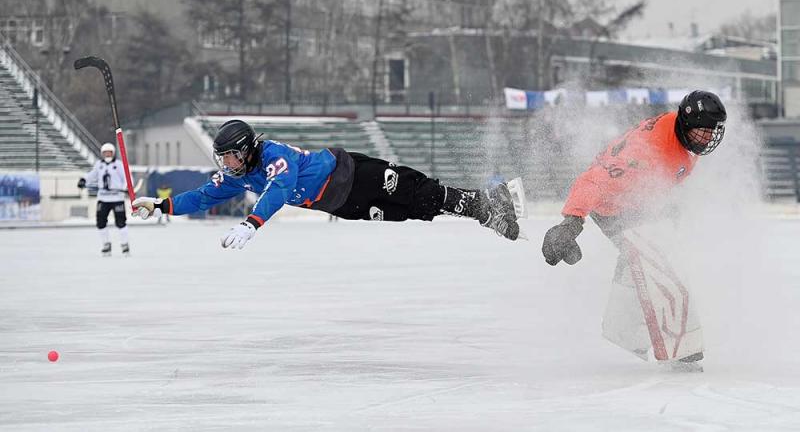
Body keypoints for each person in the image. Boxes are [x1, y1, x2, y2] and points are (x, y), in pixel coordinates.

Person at [541, 90, 727, 372]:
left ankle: (622, 328)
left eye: (712, 132)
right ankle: (679, 349)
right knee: (660, 257)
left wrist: (669, 206)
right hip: (613, 208)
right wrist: (572, 221)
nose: (707, 138)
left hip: (636, 203)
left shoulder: (680, 138)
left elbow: (661, 181)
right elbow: (593, 179)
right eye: (703, 131)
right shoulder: (646, 151)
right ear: (686, 123)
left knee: (646, 255)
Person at [132, 120, 522, 247]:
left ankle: (490, 203)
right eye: (223, 159)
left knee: (418, 191)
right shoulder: (241, 173)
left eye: (230, 156)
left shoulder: (273, 158)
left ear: (247, 149)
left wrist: (252, 223)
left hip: (352, 173)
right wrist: (161, 205)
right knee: (413, 212)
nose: (227, 164)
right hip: (341, 205)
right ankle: (484, 211)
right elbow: (205, 195)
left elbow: (280, 191)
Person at [78, 142, 131, 257]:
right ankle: (106, 245)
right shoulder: (99, 165)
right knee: (101, 222)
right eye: (105, 153)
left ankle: (124, 245)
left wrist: (126, 187)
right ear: (102, 154)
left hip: (117, 198)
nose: (107, 155)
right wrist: (84, 180)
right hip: (103, 198)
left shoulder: (119, 165)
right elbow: (92, 175)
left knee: (121, 222)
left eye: (109, 152)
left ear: (113, 153)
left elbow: (127, 177)